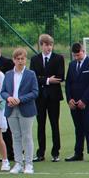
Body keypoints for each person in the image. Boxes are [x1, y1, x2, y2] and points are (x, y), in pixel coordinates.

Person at [1, 47, 39, 174]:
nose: (20, 61)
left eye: (22, 59)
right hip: (11, 109)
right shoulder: (8, 74)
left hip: (26, 109)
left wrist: (20, 99)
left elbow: (35, 92)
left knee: (27, 136)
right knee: (15, 136)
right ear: (14, 60)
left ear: (25, 59)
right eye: (18, 59)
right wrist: (9, 98)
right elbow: (3, 91)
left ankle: (29, 164)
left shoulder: (31, 74)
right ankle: (18, 163)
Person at [29, 34, 64, 162]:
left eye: (50, 45)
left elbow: (60, 77)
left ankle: (55, 153)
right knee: (41, 125)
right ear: (41, 45)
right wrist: (48, 80)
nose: (49, 47)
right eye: (46, 45)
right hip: (39, 98)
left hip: (54, 97)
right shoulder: (34, 59)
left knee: (54, 124)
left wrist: (42, 79)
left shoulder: (58, 58)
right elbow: (33, 77)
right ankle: (40, 153)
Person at [64, 42, 89, 162]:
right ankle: (78, 153)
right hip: (74, 103)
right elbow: (68, 83)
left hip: (88, 103)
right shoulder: (72, 64)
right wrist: (69, 99)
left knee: (88, 127)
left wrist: (84, 100)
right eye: (74, 55)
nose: (76, 57)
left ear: (83, 51)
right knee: (78, 128)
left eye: (78, 55)